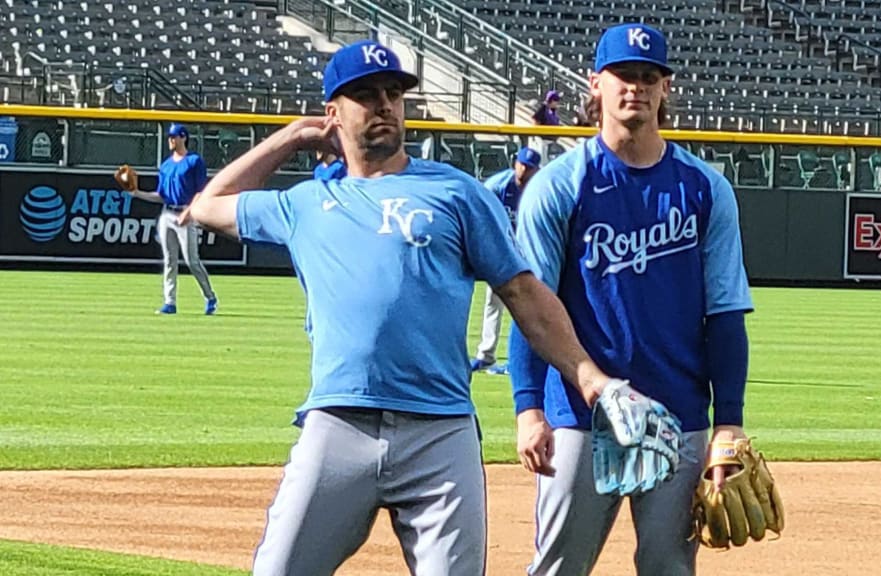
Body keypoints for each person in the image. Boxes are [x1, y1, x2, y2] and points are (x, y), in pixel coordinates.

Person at [188, 40, 634, 576]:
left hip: (440, 431)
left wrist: (587, 375)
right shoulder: (304, 204)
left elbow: (524, 294)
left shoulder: (456, 192)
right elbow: (206, 206)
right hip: (338, 422)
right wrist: (292, 136)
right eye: (365, 95)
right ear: (333, 112)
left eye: (393, 93)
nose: (384, 105)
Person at [508, 23, 754, 575]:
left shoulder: (705, 189)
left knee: (669, 568)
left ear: (666, 88)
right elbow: (530, 307)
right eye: (623, 75)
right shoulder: (560, 185)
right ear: (596, 84)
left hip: (678, 414)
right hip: (578, 414)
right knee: (559, 567)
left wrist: (729, 420)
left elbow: (725, 312)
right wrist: (528, 408)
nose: (635, 87)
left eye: (648, 76)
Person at [127, 123, 217, 315]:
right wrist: (137, 193)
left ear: (183, 137)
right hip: (167, 214)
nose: (170, 140)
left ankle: (210, 296)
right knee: (169, 260)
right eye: (169, 137)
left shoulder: (194, 161)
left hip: (186, 213)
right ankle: (170, 302)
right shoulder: (166, 165)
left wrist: (189, 212)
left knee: (192, 261)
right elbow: (161, 195)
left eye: (174, 136)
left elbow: (201, 192)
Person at [469, 146, 542, 375]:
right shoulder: (497, 186)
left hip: (530, 252)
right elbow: (480, 216)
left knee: (530, 306)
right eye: (522, 165)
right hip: (503, 251)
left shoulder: (540, 187)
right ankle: (486, 355)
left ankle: (523, 359)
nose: (524, 170)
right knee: (494, 302)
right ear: (515, 163)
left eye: (529, 167)